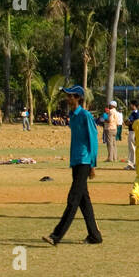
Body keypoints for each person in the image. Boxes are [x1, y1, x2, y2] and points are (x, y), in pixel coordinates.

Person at [43, 85, 102, 245]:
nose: (68, 99)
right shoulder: (73, 116)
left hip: (84, 161)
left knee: (73, 199)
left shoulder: (85, 115)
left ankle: (56, 236)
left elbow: (93, 139)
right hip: (76, 161)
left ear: (78, 98)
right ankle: (95, 236)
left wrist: (92, 164)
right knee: (84, 201)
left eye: (70, 96)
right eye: (67, 96)